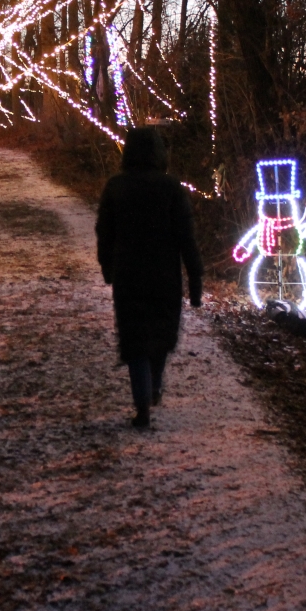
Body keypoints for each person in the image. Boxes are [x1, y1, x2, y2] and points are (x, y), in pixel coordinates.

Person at [96, 127, 204, 429]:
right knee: (159, 335)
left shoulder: (116, 187)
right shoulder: (172, 188)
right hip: (164, 276)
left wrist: (107, 266)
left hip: (128, 276)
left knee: (135, 339)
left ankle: (142, 405)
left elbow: (105, 232)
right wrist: (195, 280)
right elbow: (187, 238)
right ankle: (153, 385)